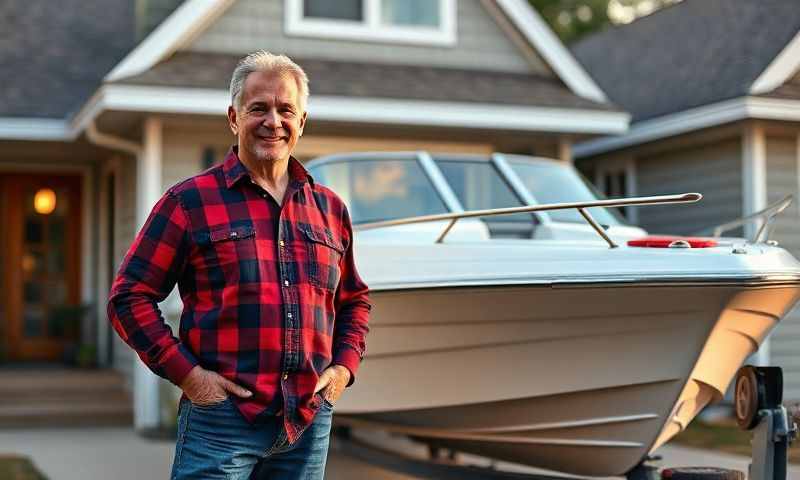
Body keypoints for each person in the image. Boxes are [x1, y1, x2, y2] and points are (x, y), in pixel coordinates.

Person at [107, 51, 371, 480]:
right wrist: (191, 377)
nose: (273, 121)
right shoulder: (188, 203)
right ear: (234, 118)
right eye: (258, 108)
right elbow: (128, 298)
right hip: (220, 422)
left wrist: (342, 368)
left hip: (306, 421)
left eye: (286, 110)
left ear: (302, 121)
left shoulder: (330, 209)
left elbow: (354, 300)